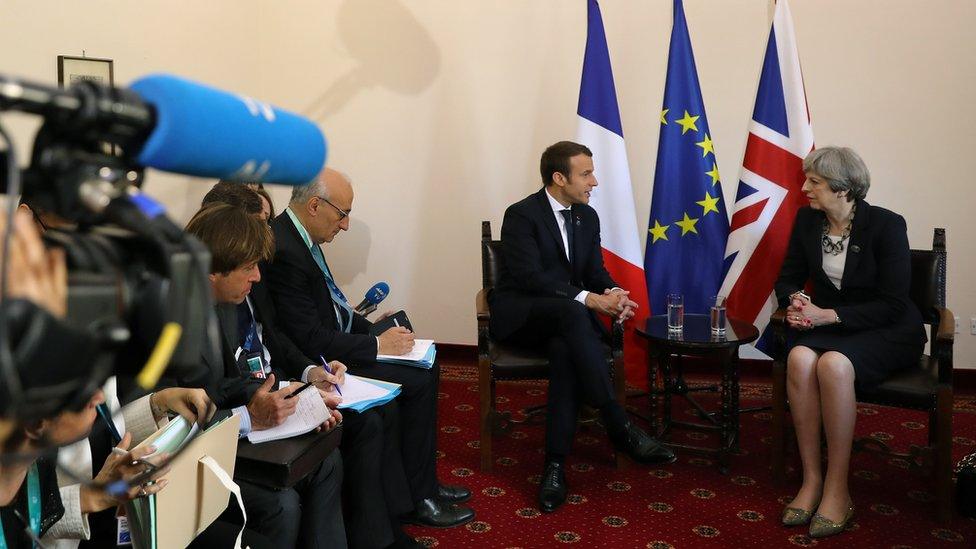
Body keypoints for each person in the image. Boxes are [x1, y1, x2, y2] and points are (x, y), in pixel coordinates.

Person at [201, 192, 423, 548]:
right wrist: (260, 410)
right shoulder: (202, 312)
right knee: (291, 496)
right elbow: (210, 396)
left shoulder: (241, 288)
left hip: (270, 393)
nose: (268, 241)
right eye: (260, 227)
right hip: (225, 436)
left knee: (336, 452)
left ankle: (384, 529)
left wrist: (306, 379)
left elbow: (273, 342)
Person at [264, 168, 475, 528]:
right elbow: (310, 338)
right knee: (418, 381)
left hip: (334, 346)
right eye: (342, 214)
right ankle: (418, 496)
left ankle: (422, 484)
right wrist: (376, 344)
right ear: (315, 205)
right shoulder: (285, 248)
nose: (345, 225)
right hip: (321, 361)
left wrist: (377, 333)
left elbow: (335, 310)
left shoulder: (304, 238)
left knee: (425, 361)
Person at [490, 141, 676, 513]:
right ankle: (617, 424)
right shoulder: (521, 215)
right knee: (575, 315)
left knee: (565, 348)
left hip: (564, 324)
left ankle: (554, 466)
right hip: (524, 317)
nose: (595, 182)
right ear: (559, 178)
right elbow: (529, 278)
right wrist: (589, 300)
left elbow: (593, 273)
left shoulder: (586, 216)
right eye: (586, 173)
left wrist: (613, 292)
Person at [774, 146, 925, 538]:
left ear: (843, 189)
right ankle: (811, 481)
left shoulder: (887, 225)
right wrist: (796, 300)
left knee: (833, 365)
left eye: (815, 182)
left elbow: (893, 303)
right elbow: (788, 277)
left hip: (887, 328)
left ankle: (838, 489)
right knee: (799, 359)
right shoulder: (808, 222)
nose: (805, 187)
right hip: (835, 326)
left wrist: (828, 315)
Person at [184, 204, 347, 548]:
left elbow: (227, 382)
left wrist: (293, 396)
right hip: (188, 463)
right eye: (249, 267)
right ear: (213, 270)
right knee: (281, 504)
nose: (258, 277)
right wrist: (250, 415)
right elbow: (172, 423)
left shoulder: (220, 304)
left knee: (326, 460)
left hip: (222, 437)